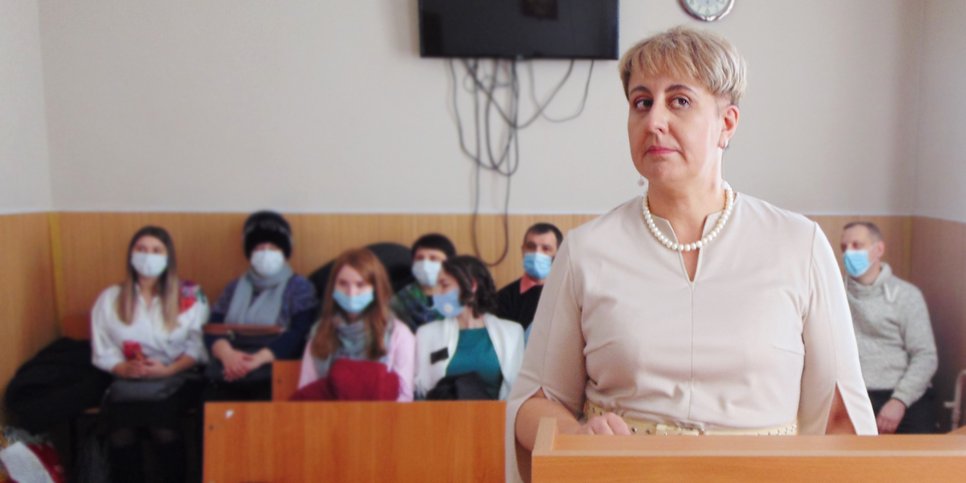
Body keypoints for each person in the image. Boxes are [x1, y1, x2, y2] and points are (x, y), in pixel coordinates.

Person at [507, 27, 877, 482]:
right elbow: (535, 403)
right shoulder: (587, 250)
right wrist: (580, 436)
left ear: (727, 123)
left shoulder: (798, 244)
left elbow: (841, 416)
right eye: (642, 102)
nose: (654, 120)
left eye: (679, 101)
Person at [90, 226, 209, 483]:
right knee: (120, 430)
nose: (148, 256)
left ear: (168, 257)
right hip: (128, 379)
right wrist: (122, 368)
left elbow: (199, 346)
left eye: (157, 250)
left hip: (179, 376)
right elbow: (103, 348)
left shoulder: (190, 295)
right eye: (141, 249)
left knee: (162, 427)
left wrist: (168, 370)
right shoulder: (111, 298)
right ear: (131, 255)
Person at [205, 211, 318, 401]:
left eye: (273, 247)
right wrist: (228, 355)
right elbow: (213, 327)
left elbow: (300, 333)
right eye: (260, 247)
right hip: (230, 364)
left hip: (273, 366)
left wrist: (258, 359)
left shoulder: (299, 287)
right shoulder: (234, 287)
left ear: (285, 252)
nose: (266, 252)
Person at [840, 221, 938, 434]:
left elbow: (925, 356)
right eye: (844, 247)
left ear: (879, 249)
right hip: (854, 394)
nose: (849, 253)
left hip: (903, 393)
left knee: (919, 460)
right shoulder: (834, 296)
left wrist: (899, 401)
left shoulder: (906, 295)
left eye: (857, 245)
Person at [297, 248, 415, 401]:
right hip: (329, 419)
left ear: (375, 288)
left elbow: (404, 396)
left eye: (360, 285)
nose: (351, 292)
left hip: (382, 419)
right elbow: (307, 390)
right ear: (333, 287)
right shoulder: (320, 331)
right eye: (343, 284)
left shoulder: (398, 333)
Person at [415, 256, 525, 400]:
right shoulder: (427, 334)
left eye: (444, 285)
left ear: (472, 285)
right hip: (440, 418)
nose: (437, 293)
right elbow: (420, 389)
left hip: (497, 418)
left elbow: (517, 389)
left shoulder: (512, 333)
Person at [495, 223, 563, 332]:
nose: (537, 253)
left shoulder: (567, 295)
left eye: (546, 248)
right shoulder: (503, 298)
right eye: (531, 247)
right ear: (523, 250)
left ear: (559, 254)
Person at [390, 233, 457, 331]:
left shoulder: (462, 300)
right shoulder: (398, 301)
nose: (425, 264)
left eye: (433, 258)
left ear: (450, 264)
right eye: (420, 258)